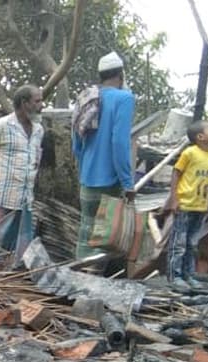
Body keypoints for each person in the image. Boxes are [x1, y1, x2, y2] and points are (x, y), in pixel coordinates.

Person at [73, 52, 136, 260]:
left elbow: (76, 139)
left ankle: (78, 286)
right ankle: (95, 286)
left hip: (88, 178)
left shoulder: (87, 96)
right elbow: (119, 142)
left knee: (86, 235)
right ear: (120, 74)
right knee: (104, 240)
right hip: (109, 181)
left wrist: (84, 168)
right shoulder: (124, 98)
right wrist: (128, 183)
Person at [0, 85, 45, 265]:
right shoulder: (0, 127)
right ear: (24, 103)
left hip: (24, 200)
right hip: (0, 197)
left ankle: (10, 287)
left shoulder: (38, 130)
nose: (42, 105)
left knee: (19, 252)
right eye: (37, 101)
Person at [163, 120, 208, 290]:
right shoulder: (190, 153)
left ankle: (189, 275)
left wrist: (207, 202)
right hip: (185, 204)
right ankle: (174, 276)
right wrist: (174, 198)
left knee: (192, 244)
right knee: (178, 243)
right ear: (200, 137)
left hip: (200, 207)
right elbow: (176, 174)